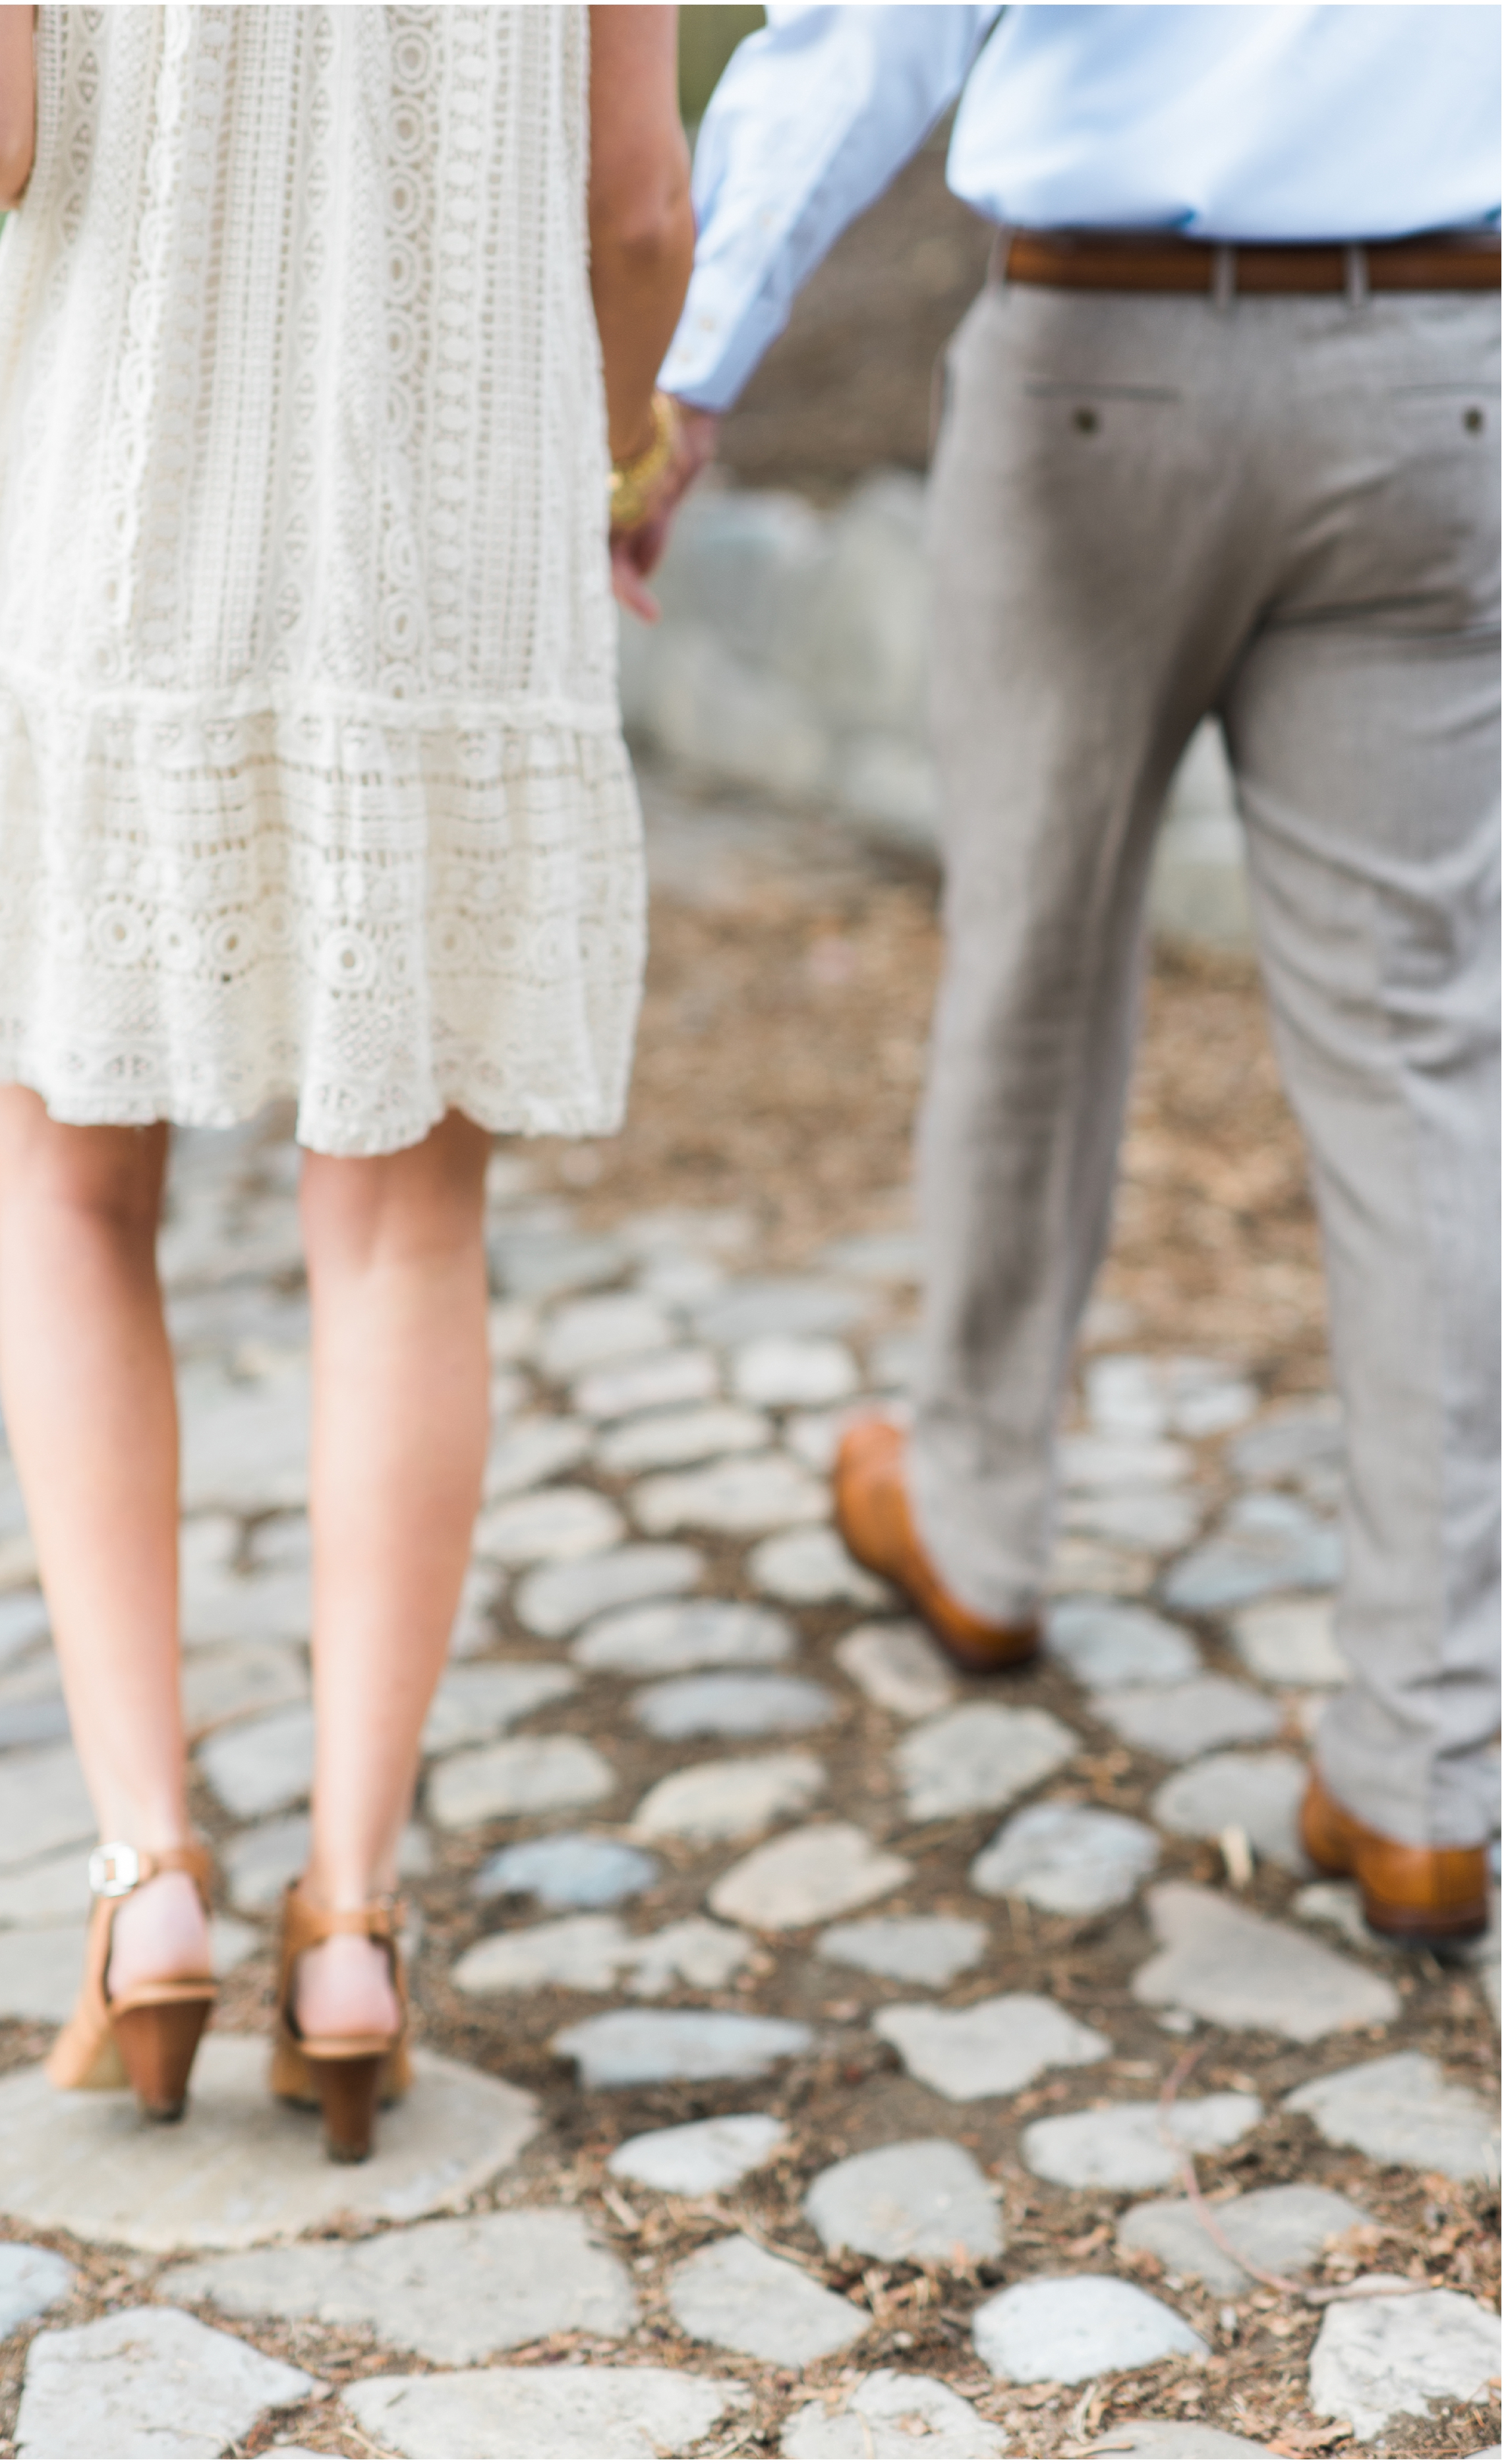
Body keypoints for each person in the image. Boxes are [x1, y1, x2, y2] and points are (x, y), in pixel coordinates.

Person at [0, 3, 692, 2159]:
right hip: (449, 543)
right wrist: (612, 450)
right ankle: (350, 1916)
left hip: (117, 515)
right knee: (405, 1229)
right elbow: (637, 206)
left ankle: (148, 1873)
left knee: (67, 1195)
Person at [620, 5, 1500, 1948]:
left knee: (1030, 959)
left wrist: (688, 369)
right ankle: (1428, 1768)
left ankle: (981, 1519)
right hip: (1437, 359)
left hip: (1100, 365)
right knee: (1423, 1060)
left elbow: (872, 34)